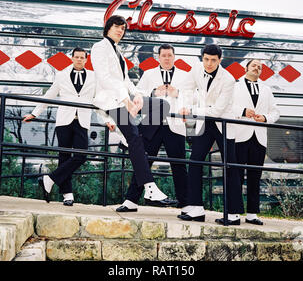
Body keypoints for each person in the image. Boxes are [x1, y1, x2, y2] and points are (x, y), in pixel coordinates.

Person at [91, 15, 174, 207]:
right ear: (108, 28)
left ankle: (132, 141)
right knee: (134, 138)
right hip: (111, 101)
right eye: (117, 27)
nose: (120, 30)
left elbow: (125, 80)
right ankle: (150, 188)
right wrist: (125, 99)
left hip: (122, 98)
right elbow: (104, 78)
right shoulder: (99, 47)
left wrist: (136, 94)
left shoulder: (118, 51)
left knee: (161, 105)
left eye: (123, 28)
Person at [116, 43, 195, 213]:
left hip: (175, 126)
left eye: (170, 55)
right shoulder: (149, 74)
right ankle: (131, 201)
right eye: (164, 55)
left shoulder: (185, 76)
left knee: (179, 164)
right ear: (159, 57)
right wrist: (153, 93)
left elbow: (192, 100)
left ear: (174, 57)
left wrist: (178, 94)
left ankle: (186, 204)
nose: (167, 58)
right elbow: (138, 96)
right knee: (143, 161)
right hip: (152, 124)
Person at [178, 44, 244, 225]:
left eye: (213, 60)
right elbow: (185, 88)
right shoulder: (197, 68)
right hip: (205, 122)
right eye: (206, 59)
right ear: (202, 58)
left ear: (220, 60)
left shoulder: (229, 79)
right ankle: (196, 209)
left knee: (229, 166)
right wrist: (184, 103)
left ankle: (234, 214)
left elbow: (217, 110)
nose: (209, 63)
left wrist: (191, 108)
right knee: (195, 161)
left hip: (223, 122)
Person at [23, 47, 96, 206]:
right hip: (64, 121)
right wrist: (35, 113)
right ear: (72, 58)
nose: (79, 60)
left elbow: (99, 99)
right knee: (64, 157)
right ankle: (67, 195)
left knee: (80, 155)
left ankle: (50, 178)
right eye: (76, 57)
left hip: (82, 121)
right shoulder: (62, 75)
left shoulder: (93, 76)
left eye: (82, 57)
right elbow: (50, 94)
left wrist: (108, 120)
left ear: (86, 59)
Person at [233, 59, 280, 225]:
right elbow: (227, 106)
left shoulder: (267, 89)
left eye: (260, 67)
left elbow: (275, 112)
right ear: (246, 67)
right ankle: (233, 214)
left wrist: (265, 117)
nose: (257, 68)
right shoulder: (234, 86)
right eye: (254, 65)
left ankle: (252, 214)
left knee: (255, 176)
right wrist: (243, 111)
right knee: (236, 175)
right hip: (239, 135)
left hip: (259, 138)